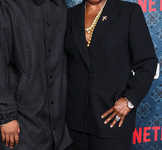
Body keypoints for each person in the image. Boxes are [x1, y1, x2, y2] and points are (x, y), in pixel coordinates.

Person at [0, 0, 72, 149]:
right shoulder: (0, 5)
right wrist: (5, 117)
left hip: (54, 130)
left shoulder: (59, 6)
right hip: (17, 126)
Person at [64, 0, 158, 149]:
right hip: (74, 123)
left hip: (112, 119)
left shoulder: (128, 11)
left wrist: (129, 100)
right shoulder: (69, 14)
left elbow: (147, 63)